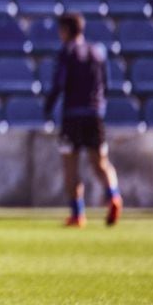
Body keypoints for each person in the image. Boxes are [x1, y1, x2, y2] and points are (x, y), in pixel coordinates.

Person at [43, 12, 123, 228]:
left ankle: (78, 214)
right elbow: (107, 84)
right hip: (95, 114)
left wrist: (48, 107)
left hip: (72, 116)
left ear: (66, 30)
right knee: (100, 162)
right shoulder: (98, 52)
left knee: (70, 165)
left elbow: (59, 83)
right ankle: (113, 195)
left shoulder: (66, 53)